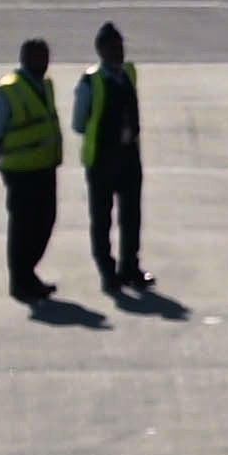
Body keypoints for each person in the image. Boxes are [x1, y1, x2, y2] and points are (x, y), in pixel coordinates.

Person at [0, 34, 67, 299]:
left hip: (45, 167)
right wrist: (12, 155)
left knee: (45, 221)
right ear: (25, 58)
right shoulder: (9, 88)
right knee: (23, 227)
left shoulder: (45, 85)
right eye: (38, 57)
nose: (44, 62)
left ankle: (28, 273)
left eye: (46, 57)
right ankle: (20, 280)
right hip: (21, 171)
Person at [72, 21, 148, 295]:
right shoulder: (91, 82)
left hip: (129, 157)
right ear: (101, 50)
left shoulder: (128, 73)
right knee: (102, 219)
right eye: (113, 47)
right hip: (102, 160)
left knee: (131, 216)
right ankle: (107, 271)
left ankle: (130, 266)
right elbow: (79, 123)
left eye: (121, 46)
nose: (120, 51)